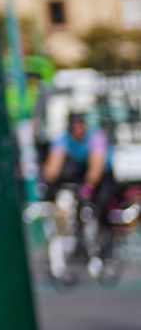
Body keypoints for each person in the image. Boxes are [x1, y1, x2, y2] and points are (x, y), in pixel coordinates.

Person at [42, 110, 117, 265]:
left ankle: (105, 239)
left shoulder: (95, 137)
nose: (79, 129)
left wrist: (89, 186)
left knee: (101, 203)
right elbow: (53, 166)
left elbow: (96, 167)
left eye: (81, 125)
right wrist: (47, 181)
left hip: (102, 175)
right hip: (80, 173)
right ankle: (77, 242)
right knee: (69, 203)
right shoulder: (63, 139)